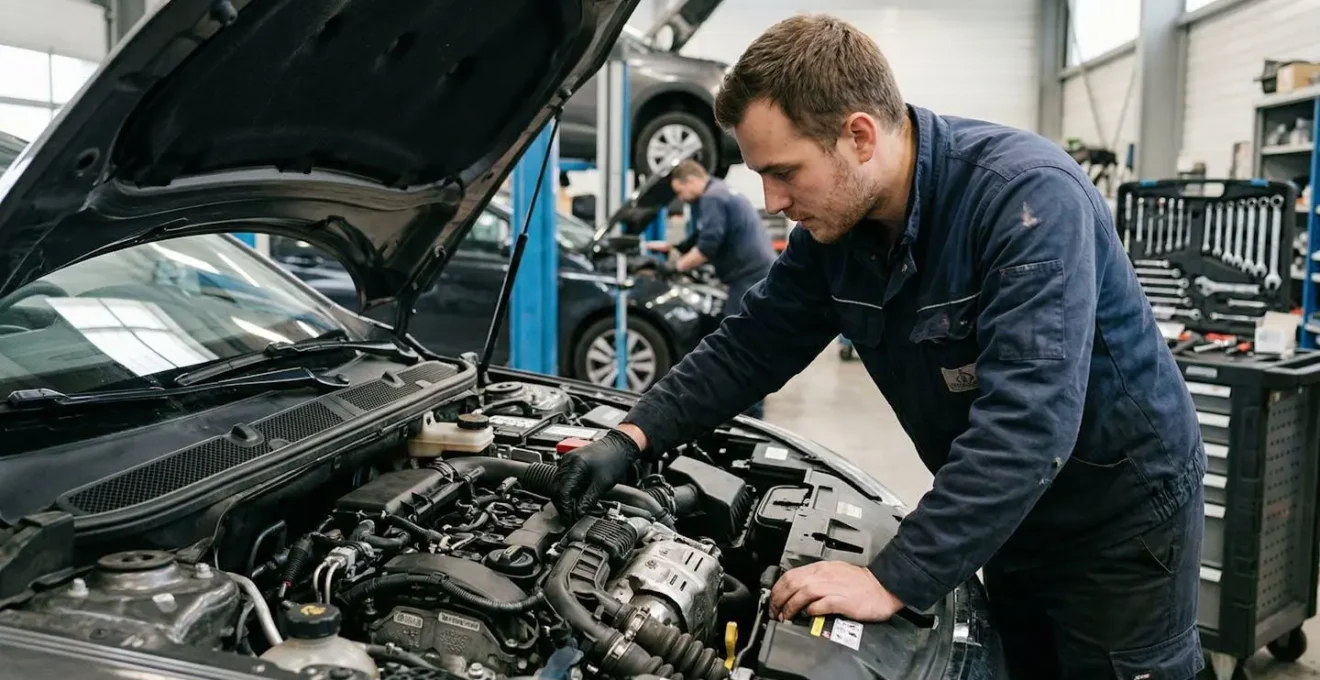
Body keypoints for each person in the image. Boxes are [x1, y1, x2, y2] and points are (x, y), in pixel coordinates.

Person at [552, 13, 1206, 680]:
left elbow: (1030, 425)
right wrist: (633, 436)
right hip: (1013, 511)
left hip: (1117, 520)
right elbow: (751, 345)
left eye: (784, 172)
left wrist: (895, 577)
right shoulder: (835, 233)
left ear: (859, 136)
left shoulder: (1025, 200)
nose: (772, 202)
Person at [645, 159, 778, 418]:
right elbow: (701, 236)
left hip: (749, 278)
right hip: (756, 274)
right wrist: (677, 248)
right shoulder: (718, 190)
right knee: (745, 340)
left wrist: (675, 268)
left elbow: (708, 246)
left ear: (692, 181)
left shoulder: (712, 198)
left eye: (680, 192)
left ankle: (750, 414)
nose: (681, 198)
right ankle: (743, 406)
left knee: (740, 343)